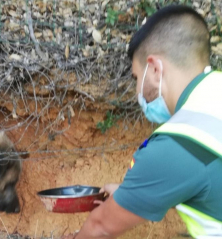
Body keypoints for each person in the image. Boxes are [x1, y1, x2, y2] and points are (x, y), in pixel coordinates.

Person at [62, 4, 222, 239]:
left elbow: (100, 228)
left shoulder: (179, 142)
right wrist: (133, 194)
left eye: (137, 77)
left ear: (155, 69)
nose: (137, 90)